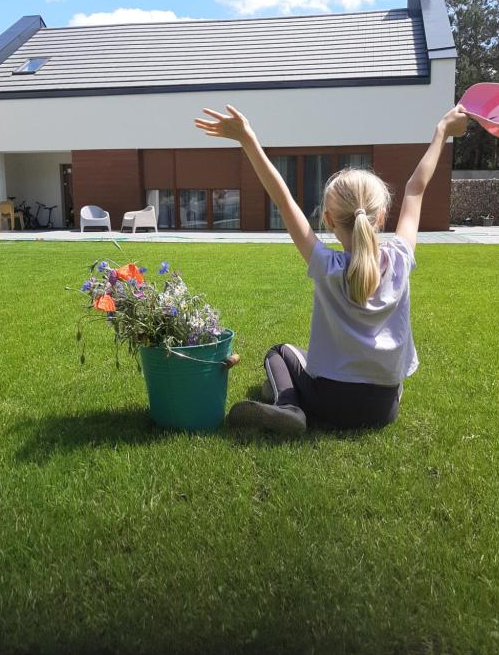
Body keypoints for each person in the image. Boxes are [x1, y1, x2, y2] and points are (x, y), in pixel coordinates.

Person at [194, 104, 468, 434]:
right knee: (317, 363)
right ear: (380, 217)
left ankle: (289, 406)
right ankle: (291, 400)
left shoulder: (326, 264)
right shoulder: (400, 257)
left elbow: (283, 199)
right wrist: (442, 131)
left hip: (329, 403)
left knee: (279, 352)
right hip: (384, 408)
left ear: (328, 220)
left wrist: (247, 139)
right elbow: (416, 187)